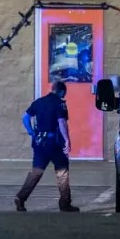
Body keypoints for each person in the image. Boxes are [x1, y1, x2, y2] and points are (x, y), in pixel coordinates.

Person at [15, 80, 80, 212]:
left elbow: (25, 117)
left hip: (39, 143)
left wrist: (31, 132)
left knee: (36, 172)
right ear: (62, 91)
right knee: (62, 171)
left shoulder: (39, 102)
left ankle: (21, 198)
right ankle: (64, 203)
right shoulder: (60, 103)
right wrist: (67, 140)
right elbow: (62, 122)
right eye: (64, 93)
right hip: (54, 144)